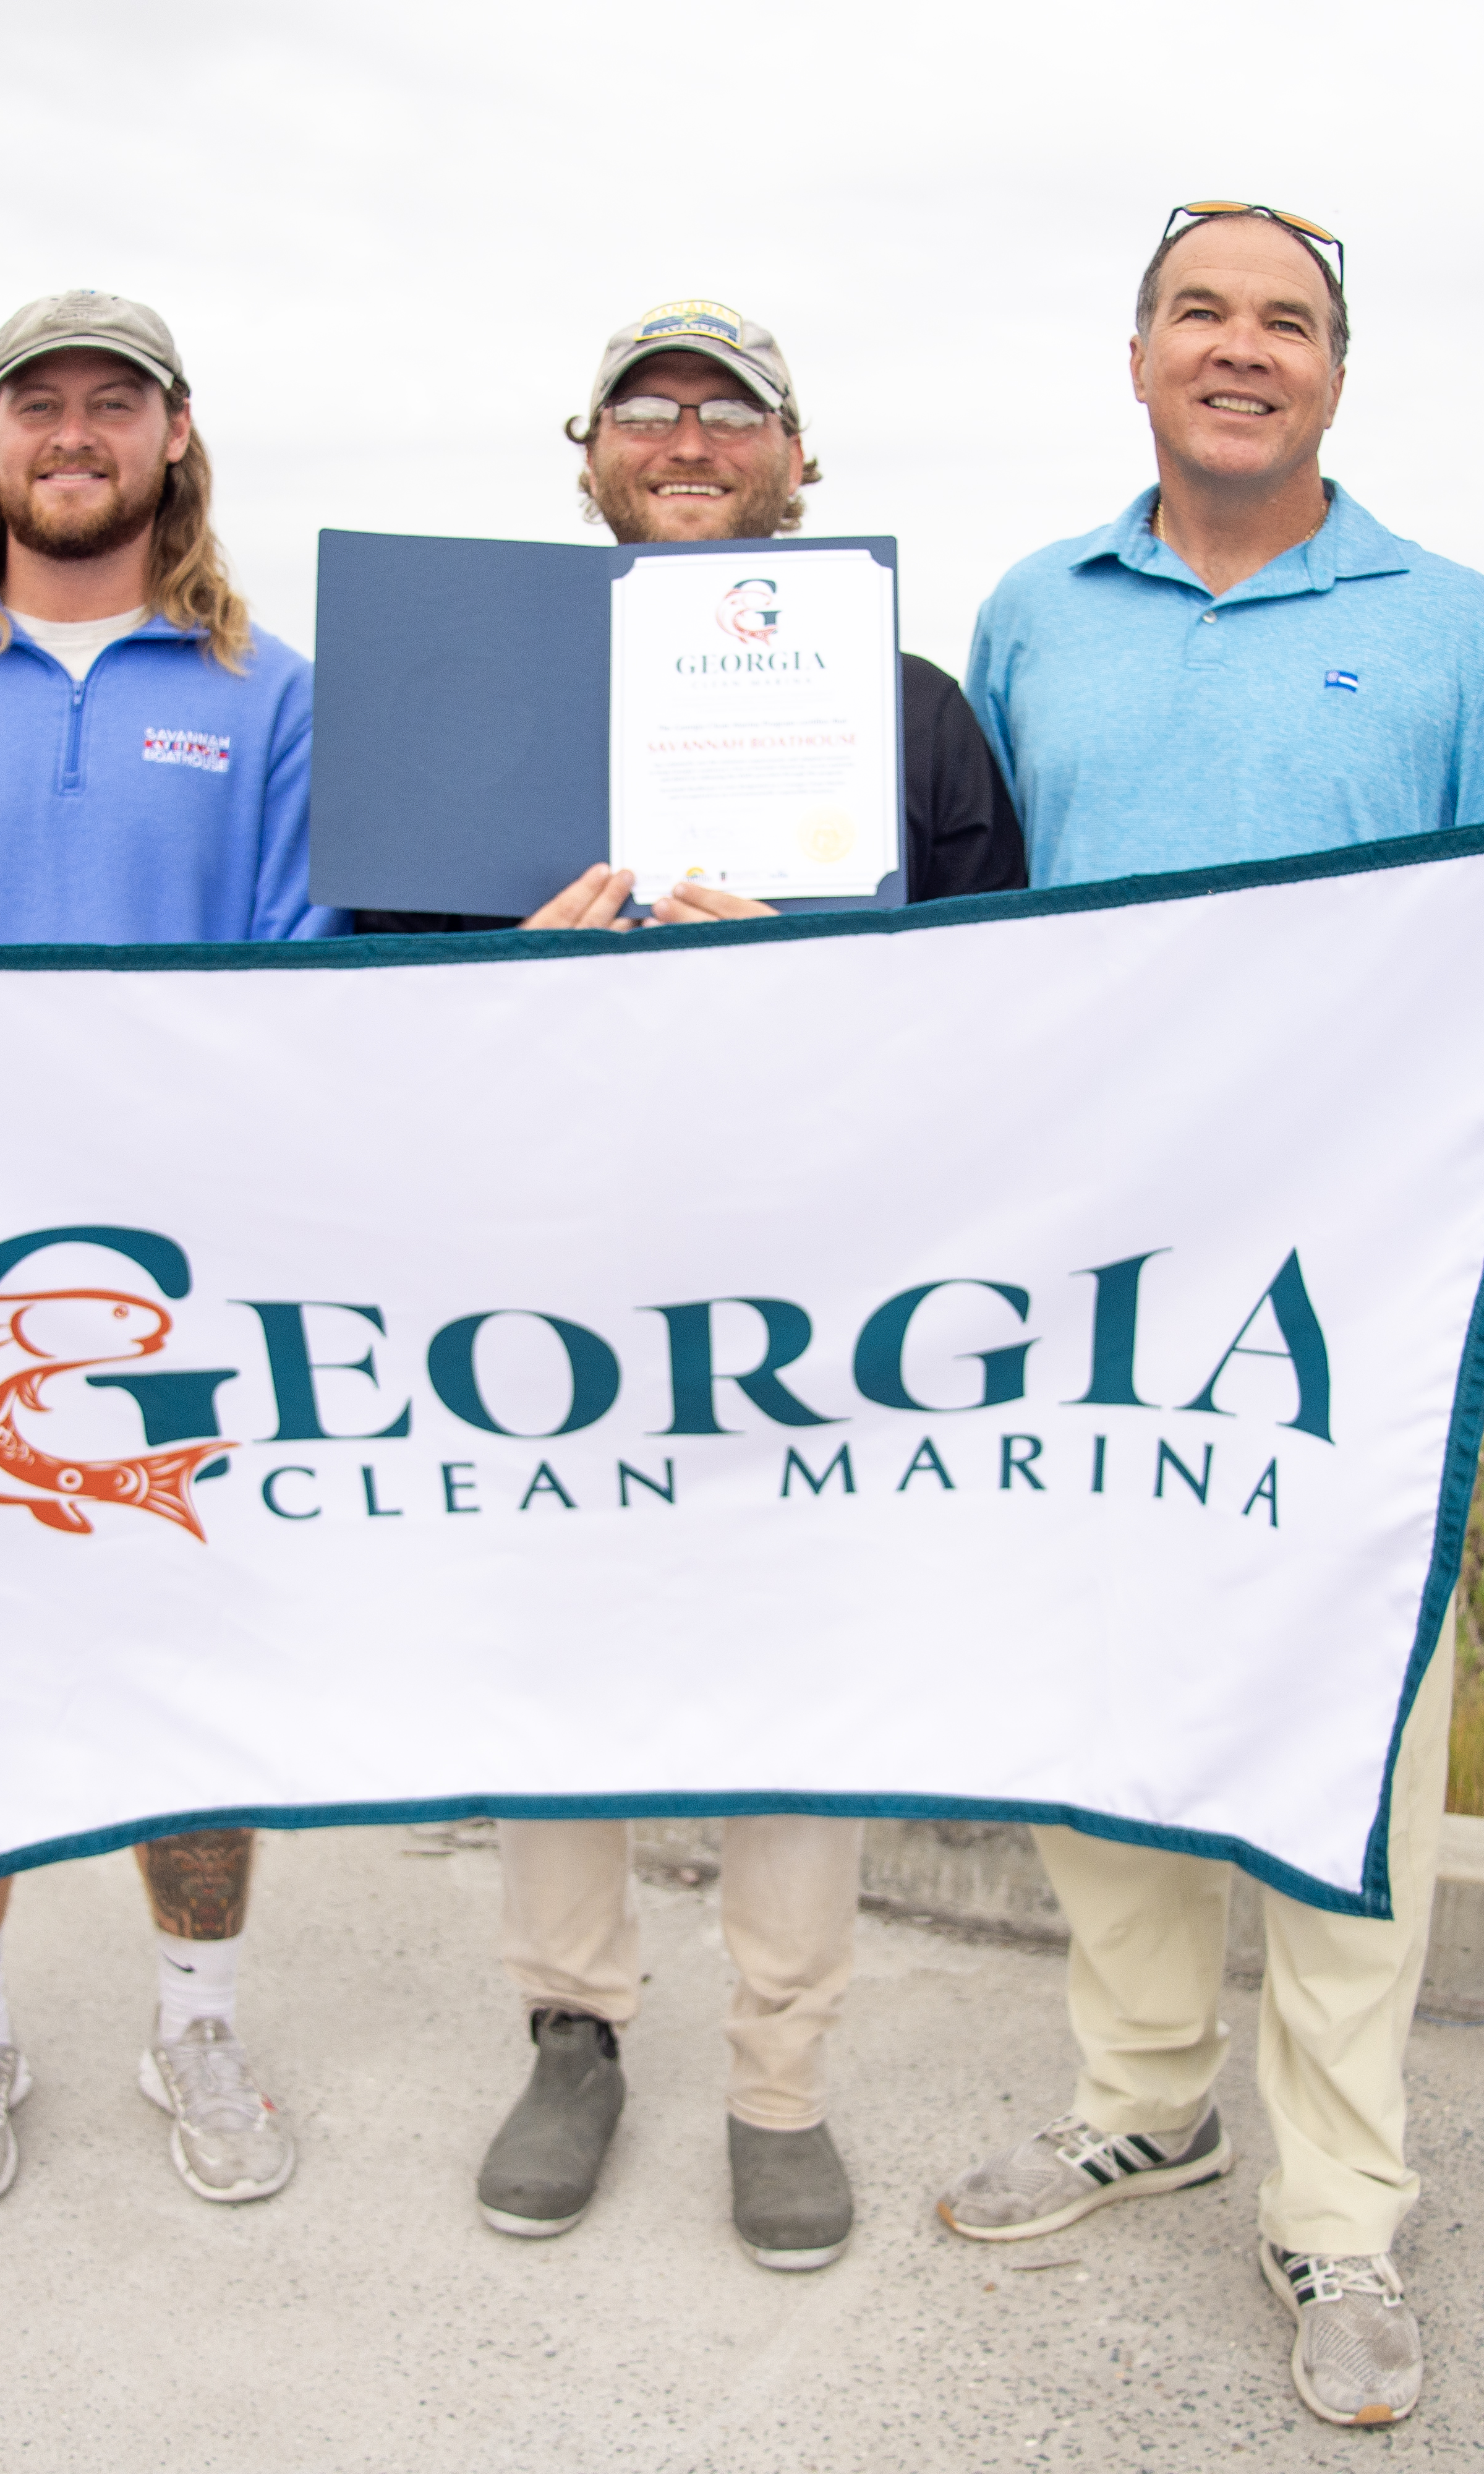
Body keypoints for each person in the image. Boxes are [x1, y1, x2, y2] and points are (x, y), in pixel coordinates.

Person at [937, 203, 1484, 2430]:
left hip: (1344, 1302)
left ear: (1338, 378)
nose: (1242, 348)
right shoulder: (1031, 613)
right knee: (1108, 1717)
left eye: (1287, 321)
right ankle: (1145, 2098)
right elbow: (966, 951)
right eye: (1204, 309)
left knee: (1355, 1756)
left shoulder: (1467, 633)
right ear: (1138, 354)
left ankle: (1341, 2214)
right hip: (1082, 1289)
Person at [359, 297, 1028, 2274]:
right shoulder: (466, 696)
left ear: (800, 463)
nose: (684, 434)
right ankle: (574, 2033)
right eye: (644, 407)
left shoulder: (905, 707)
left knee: (794, 1675)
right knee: (556, 1659)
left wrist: (813, 964)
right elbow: (369, 1005)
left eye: (730, 410)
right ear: (584, 453)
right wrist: (515, 970)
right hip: (542, 1271)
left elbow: (1003, 1002)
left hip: (806, 1276)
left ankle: (780, 2083)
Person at [0, 289, 333, 2215]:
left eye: (116, 402)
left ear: (176, 437)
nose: (74, 433)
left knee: (190, 1664)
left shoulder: (267, 687)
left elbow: (298, 985)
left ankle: (195, 2014)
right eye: (41, 405)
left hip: (187, 1286)